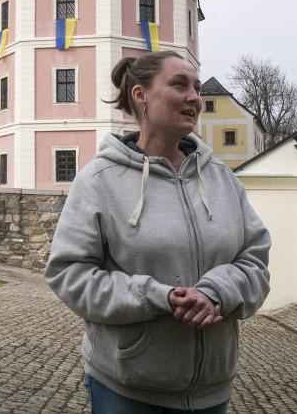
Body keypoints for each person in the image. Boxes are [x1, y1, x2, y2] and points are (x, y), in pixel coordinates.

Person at [45, 51, 271, 413]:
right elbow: (70, 274)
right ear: (141, 95)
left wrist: (216, 293)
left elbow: (255, 263)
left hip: (213, 393)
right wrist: (157, 297)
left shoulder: (221, 178)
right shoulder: (99, 180)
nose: (194, 97)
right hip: (128, 393)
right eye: (179, 85)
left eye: (197, 88)